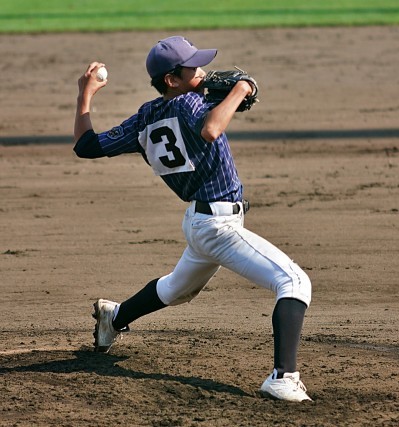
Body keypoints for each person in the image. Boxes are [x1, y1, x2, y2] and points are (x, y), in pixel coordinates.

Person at [73, 36, 312, 402]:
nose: (202, 72)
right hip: (218, 226)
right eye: (193, 68)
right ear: (172, 79)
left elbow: (86, 147)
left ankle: (115, 317)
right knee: (294, 282)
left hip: (200, 223)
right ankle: (283, 377)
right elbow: (210, 129)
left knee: (175, 290)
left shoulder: (146, 116)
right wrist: (240, 90)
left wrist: (86, 94)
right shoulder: (190, 103)